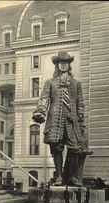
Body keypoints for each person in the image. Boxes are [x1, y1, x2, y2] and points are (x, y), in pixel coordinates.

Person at [32, 51, 86, 186]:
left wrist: (80, 116)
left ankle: (72, 176)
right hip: (55, 119)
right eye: (60, 63)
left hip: (71, 120)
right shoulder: (50, 83)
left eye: (66, 63)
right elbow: (44, 98)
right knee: (57, 148)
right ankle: (59, 177)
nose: (63, 65)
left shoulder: (76, 83)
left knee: (75, 148)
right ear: (57, 65)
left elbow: (80, 101)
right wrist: (41, 111)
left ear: (69, 65)